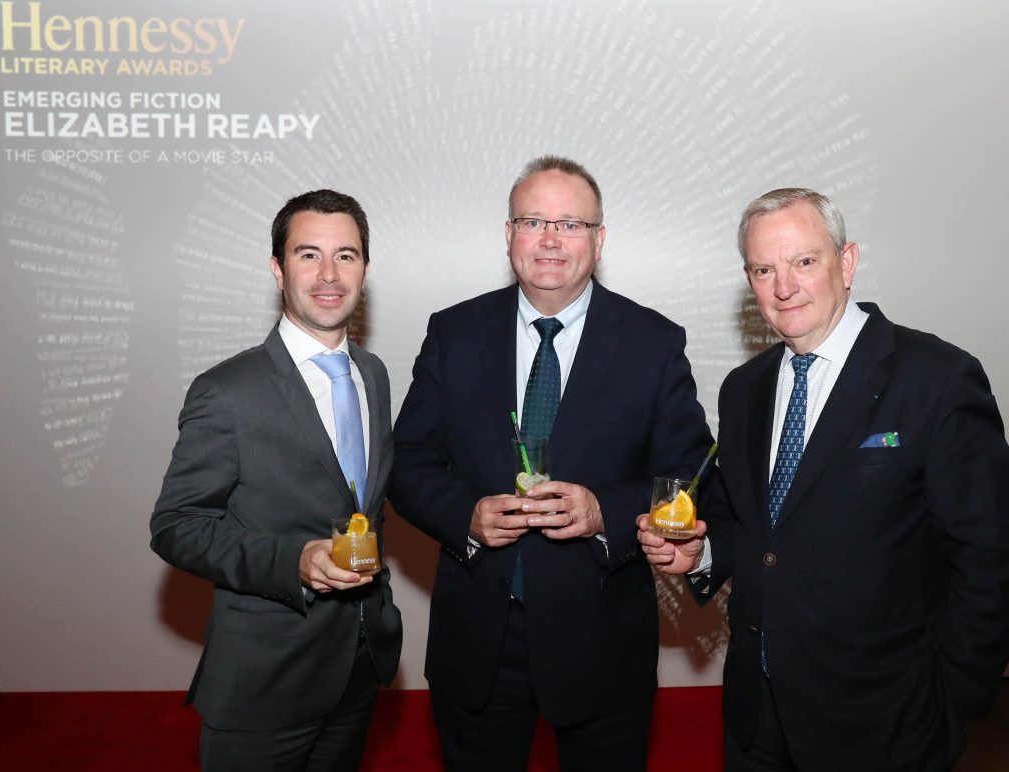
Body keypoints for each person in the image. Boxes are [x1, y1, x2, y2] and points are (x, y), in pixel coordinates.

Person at [639, 188, 1009, 771]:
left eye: (803, 261)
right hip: (757, 714)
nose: (783, 286)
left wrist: (953, 696)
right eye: (764, 269)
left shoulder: (937, 378)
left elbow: (989, 555)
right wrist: (702, 553)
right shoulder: (744, 389)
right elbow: (756, 529)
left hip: (886, 720)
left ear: (848, 261)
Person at [389, 156, 714, 771]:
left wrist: (603, 511)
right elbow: (408, 461)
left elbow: (691, 473)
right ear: (508, 233)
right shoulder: (453, 332)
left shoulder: (653, 342)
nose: (550, 239)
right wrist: (466, 513)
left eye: (571, 224)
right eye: (533, 220)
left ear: (599, 239)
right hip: (479, 637)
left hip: (602, 643)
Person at [150, 189, 402, 771]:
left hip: (360, 661)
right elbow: (176, 526)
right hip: (266, 677)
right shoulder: (227, 391)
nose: (329, 274)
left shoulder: (373, 373)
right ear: (277, 268)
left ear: (365, 268)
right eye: (308, 254)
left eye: (347, 255)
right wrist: (294, 560)